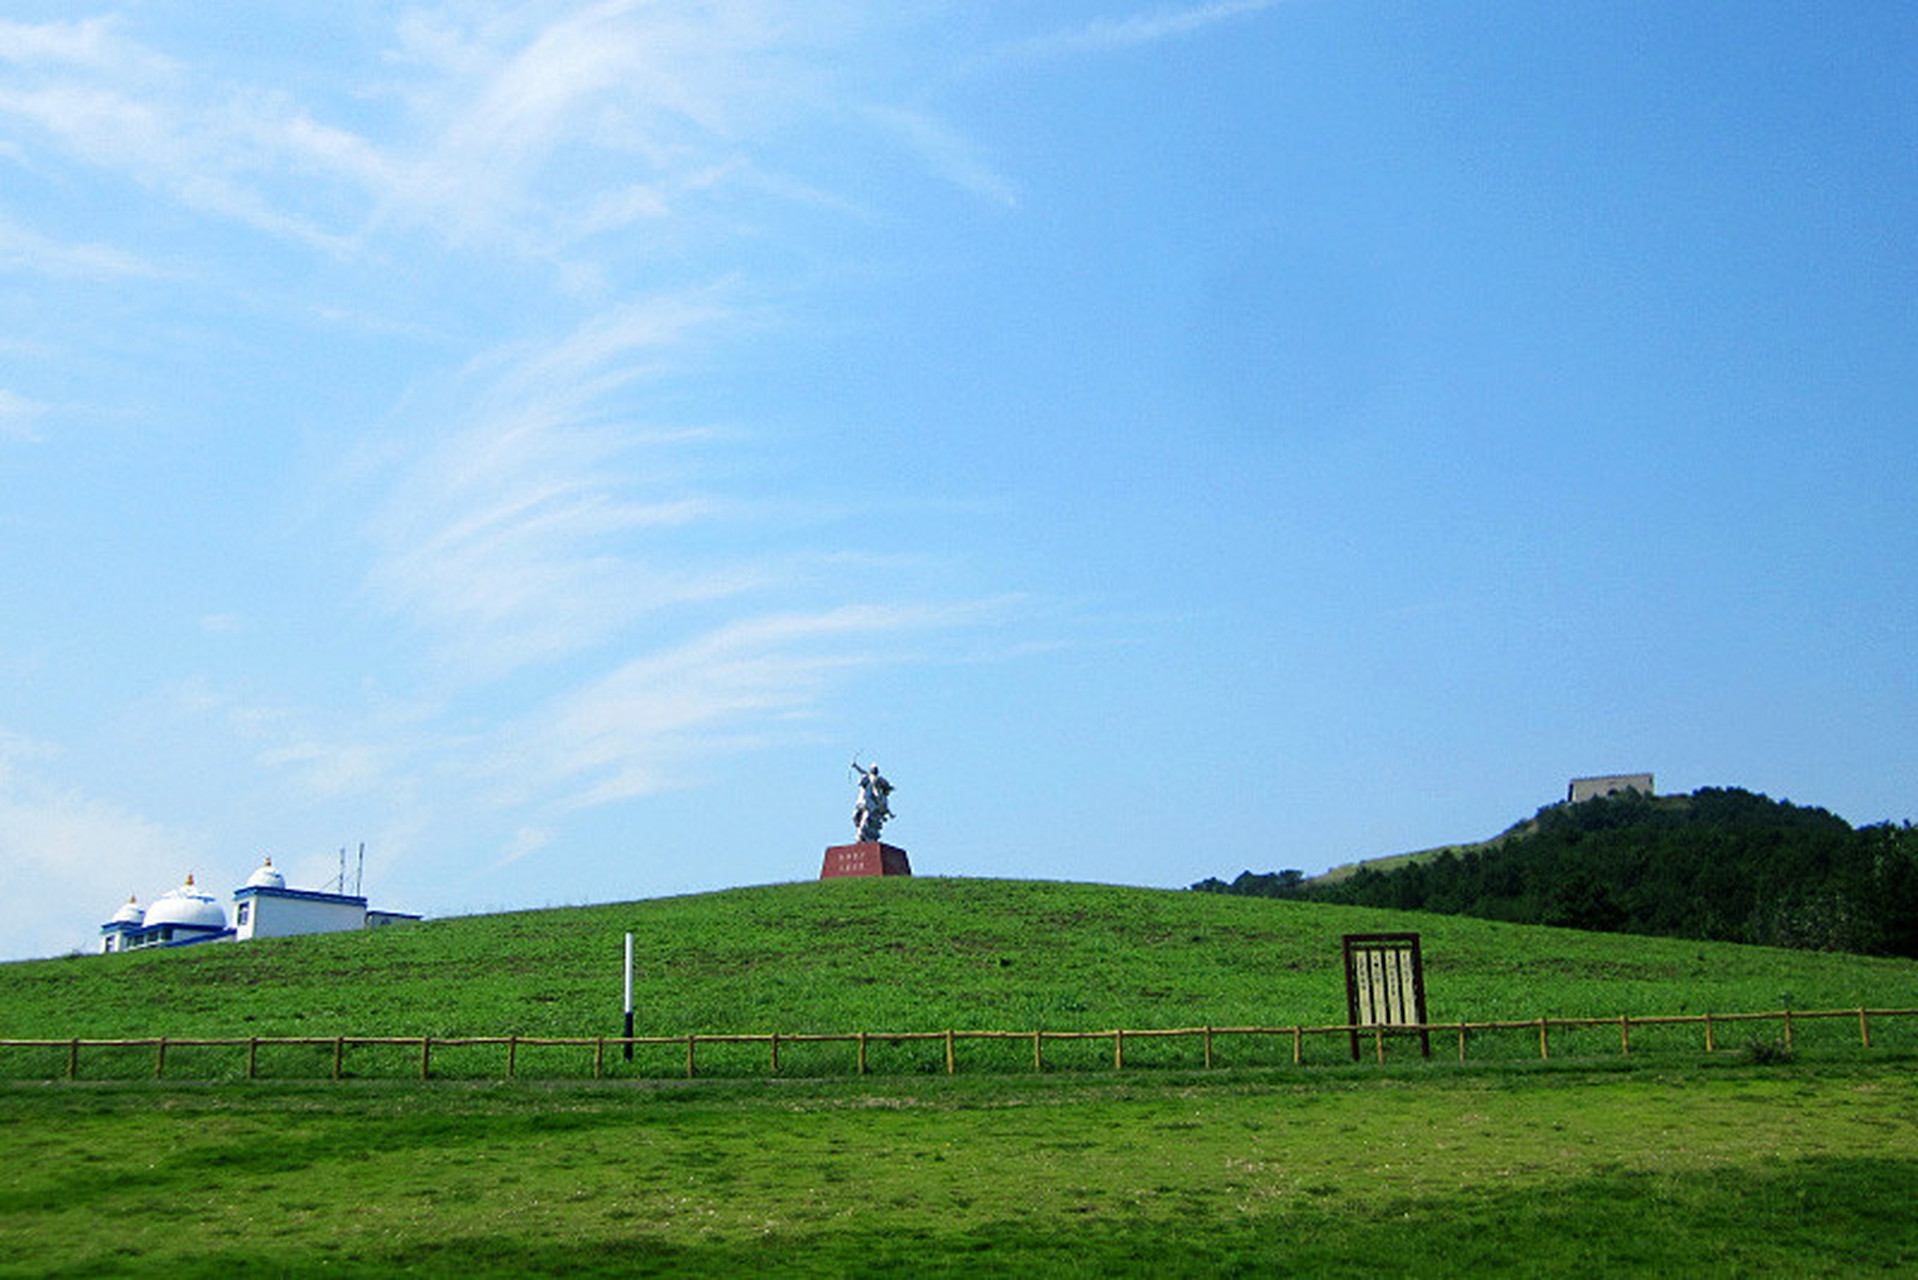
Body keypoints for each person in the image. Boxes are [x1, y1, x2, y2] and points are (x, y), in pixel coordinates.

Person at [851, 760, 893, 842]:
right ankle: (860, 827)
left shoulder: (877, 779)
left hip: (873, 796)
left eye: (875, 769)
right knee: (855, 816)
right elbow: (862, 771)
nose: (874, 770)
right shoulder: (868, 776)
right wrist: (856, 766)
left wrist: (879, 794)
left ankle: (863, 832)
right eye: (873, 769)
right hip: (862, 800)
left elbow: (882, 786)